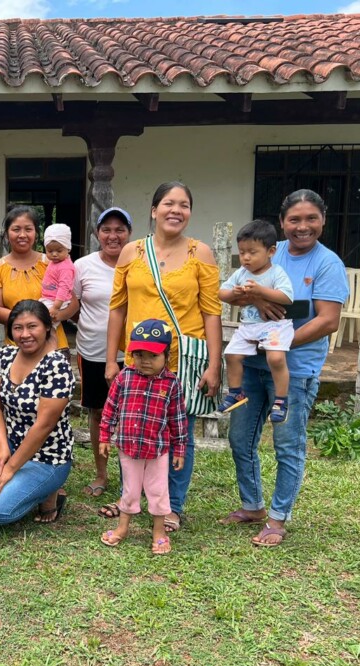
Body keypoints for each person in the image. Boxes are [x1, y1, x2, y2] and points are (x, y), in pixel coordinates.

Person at [221, 189, 348, 546]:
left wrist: (277, 340)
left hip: (295, 369)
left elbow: (327, 321)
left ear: (323, 220)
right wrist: (257, 303)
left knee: (287, 444)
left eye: (311, 219)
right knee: (239, 437)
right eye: (294, 219)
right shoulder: (262, 256)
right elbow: (241, 299)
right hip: (252, 365)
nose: (302, 227)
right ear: (281, 224)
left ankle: (278, 518)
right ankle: (253, 505)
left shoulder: (327, 264)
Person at [101, 182, 222, 531]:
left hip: (182, 359)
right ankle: (132, 499)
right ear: (153, 210)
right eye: (169, 203)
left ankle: (173, 505)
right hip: (139, 360)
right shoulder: (131, 253)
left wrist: (214, 364)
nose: (176, 210)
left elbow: (211, 312)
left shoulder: (202, 253)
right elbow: (117, 309)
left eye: (184, 205)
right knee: (133, 430)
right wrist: (112, 359)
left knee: (177, 431)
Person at [0, 300, 75, 528]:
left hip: (46, 457)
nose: (24, 334)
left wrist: (9, 469)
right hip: (12, 441)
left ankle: (48, 494)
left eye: (32, 326)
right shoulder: (6, 355)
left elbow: (43, 427)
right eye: (18, 328)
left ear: (47, 327)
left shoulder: (57, 366)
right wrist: (2, 447)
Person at [99, 319, 187, 554]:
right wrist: (105, 437)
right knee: (129, 489)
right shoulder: (124, 377)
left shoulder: (171, 383)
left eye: (152, 356)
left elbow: (178, 419)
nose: (145, 361)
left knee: (158, 491)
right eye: (139, 355)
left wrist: (180, 449)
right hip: (128, 448)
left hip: (158, 450)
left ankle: (158, 532)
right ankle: (122, 528)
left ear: (167, 356)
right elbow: (110, 409)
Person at [74, 207, 132, 497]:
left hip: (135, 353)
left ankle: (133, 479)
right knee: (99, 414)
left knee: (135, 415)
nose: (113, 235)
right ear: (97, 234)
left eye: (120, 229)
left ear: (129, 234)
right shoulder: (82, 265)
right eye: (106, 229)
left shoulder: (139, 263)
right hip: (92, 352)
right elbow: (72, 306)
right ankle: (101, 474)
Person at [217, 220, 295, 423]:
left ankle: (280, 400)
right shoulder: (241, 273)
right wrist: (232, 293)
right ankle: (236, 392)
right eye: (242, 252)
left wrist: (261, 291)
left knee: (276, 359)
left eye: (252, 252)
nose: (246, 258)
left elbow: (287, 297)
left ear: (270, 251)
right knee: (231, 354)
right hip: (249, 326)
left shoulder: (276, 272)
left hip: (274, 325)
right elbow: (221, 293)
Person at [0, 206, 76, 354]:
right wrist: (31, 322)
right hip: (16, 347)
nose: (22, 235)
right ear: (6, 234)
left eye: (28, 229)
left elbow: (73, 303)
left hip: (54, 347)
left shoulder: (52, 263)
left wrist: (52, 318)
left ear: (36, 233)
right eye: (16, 229)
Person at [39, 223, 76, 330]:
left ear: (68, 248)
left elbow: (64, 288)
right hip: (48, 298)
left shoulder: (66, 267)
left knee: (43, 324)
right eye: (50, 251)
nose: (54, 254)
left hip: (56, 302)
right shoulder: (54, 262)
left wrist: (56, 307)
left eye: (59, 251)